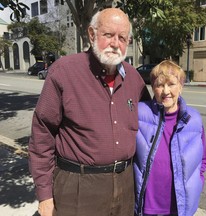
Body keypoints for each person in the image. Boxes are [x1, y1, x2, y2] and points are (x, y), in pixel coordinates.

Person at [28, 8, 150, 216]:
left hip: (125, 183)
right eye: (108, 35)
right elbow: (42, 135)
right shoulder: (64, 71)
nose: (115, 43)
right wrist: (45, 195)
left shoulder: (134, 79)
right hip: (78, 187)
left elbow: (153, 120)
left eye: (122, 38)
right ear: (92, 34)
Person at [133, 60, 206, 216]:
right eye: (159, 85)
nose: (165, 91)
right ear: (153, 88)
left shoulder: (194, 119)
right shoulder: (140, 113)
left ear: (181, 87)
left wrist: (198, 183)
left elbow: (203, 160)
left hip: (178, 207)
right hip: (147, 206)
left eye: (171, 84)